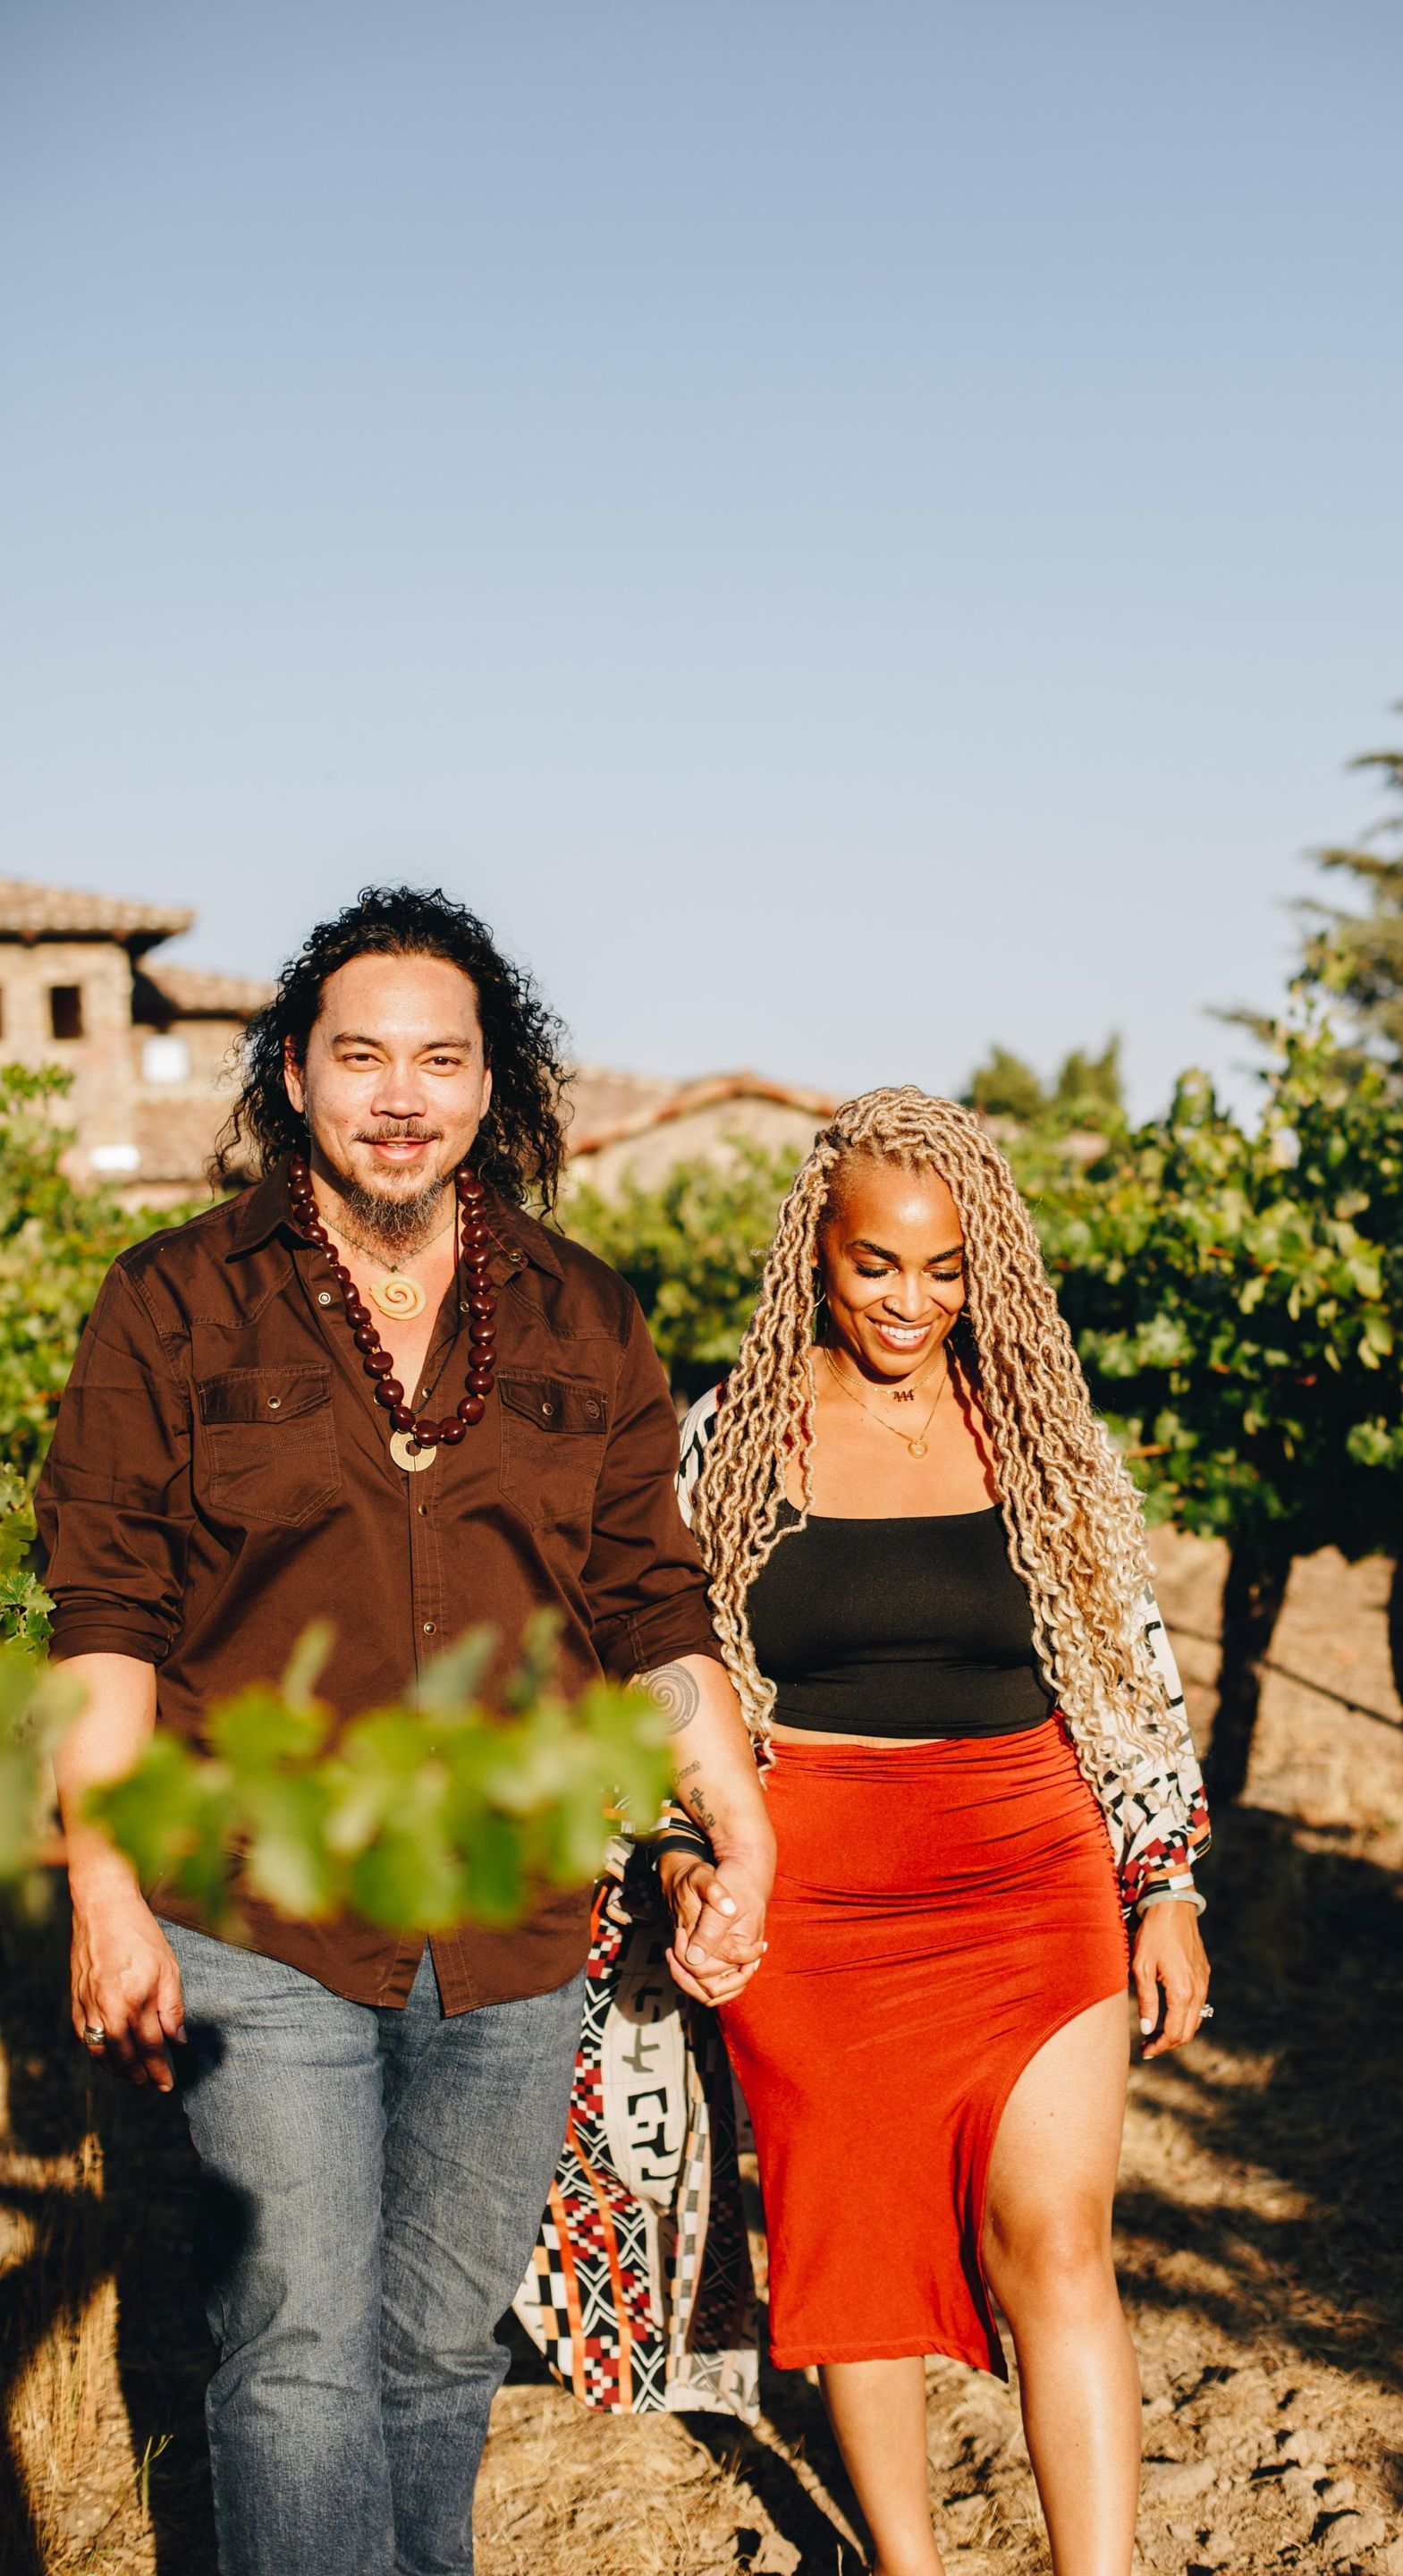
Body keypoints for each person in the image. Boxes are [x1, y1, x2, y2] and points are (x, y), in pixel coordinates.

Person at [35, 886, 772, 2576]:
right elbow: (108, 1616)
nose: (399, 1092)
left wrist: (729, 1801)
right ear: (292, 1073)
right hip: (256, 1906)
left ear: (490, 1081)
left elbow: (650, 1599)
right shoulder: (173, 1302)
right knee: (297, 2348)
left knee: (440, 2348)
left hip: (512, 1921)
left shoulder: (586, 1316)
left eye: (440, 1058)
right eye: (359, 1054)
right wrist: (101, 1891)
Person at [660, 1086, 1212, 2576]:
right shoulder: (728, 1441)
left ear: (987, 1271)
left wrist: (1163, 1878)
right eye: (877, 1265)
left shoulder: (1039, 1434)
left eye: (946, 1269)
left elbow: (1128, 1658)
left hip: (1032, 1862)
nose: (912, 1301)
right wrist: (686, 1856)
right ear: (815, 1257)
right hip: (817, 1888)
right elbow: (664, 1675)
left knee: (1060, 2237)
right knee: (857, 2258)